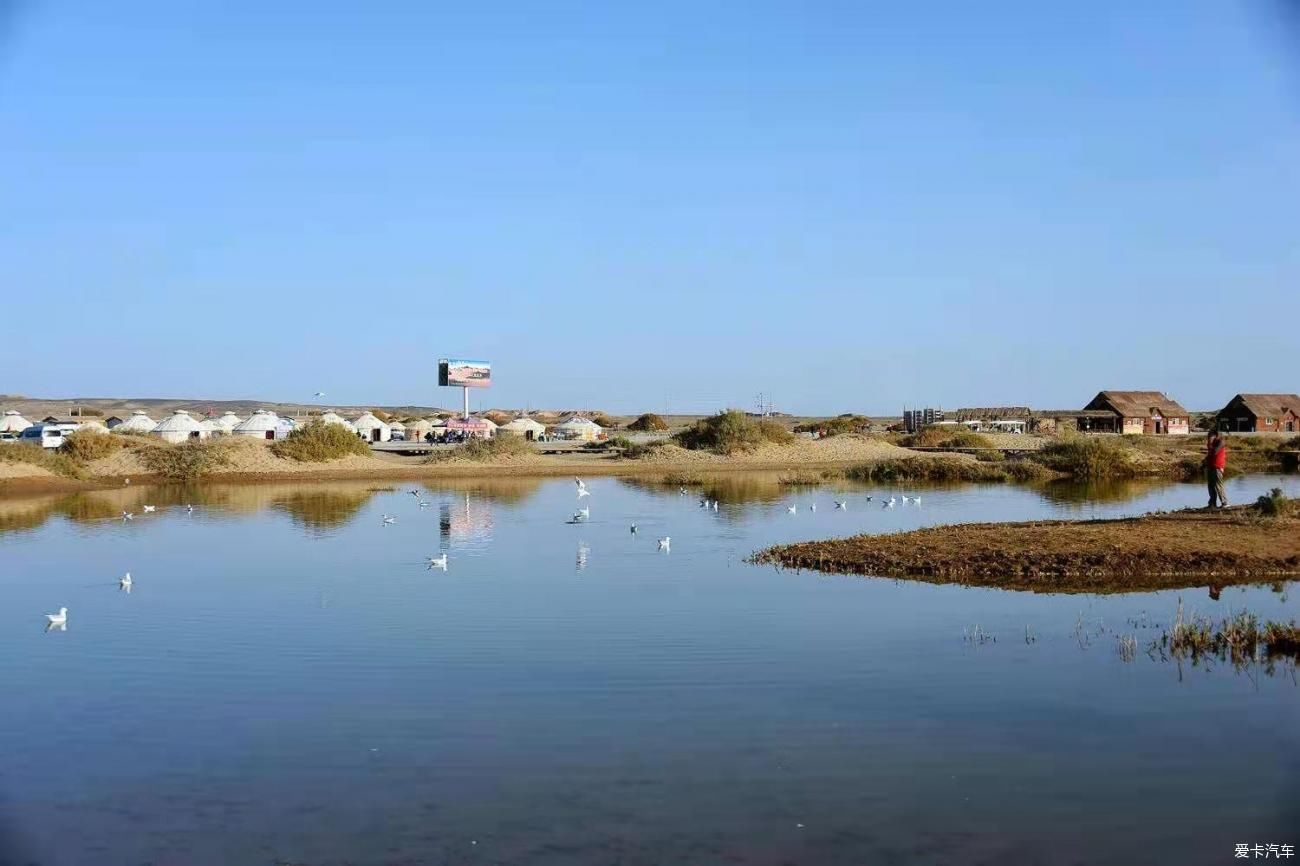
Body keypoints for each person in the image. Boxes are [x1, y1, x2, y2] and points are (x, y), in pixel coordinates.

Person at [1204, 429, 1228, 509]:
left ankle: (1224, 503)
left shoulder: (1221, 442)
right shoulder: (1211, 444)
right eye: (1208, 436)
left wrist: (1210, 444)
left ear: (1215, 436)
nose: (1208, 437)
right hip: (1210, 466)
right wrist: (1204, 463)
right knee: (1211, 486)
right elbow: (1210, 455)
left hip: (1217, 466)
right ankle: (1212, 504)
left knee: (1218, 485)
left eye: (1210, 436)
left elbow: (1215, 452)